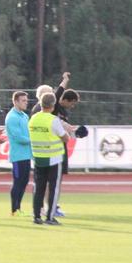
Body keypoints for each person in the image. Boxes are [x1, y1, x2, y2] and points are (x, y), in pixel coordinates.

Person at [29, 92, 66, 226]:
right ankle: (50, 217)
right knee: (53, 188)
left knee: (39, 187)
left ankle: (36, 216)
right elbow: (64, 137)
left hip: (38, 157)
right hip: (53, 157)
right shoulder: (53, 120)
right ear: (53, 105)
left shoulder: (33, 119)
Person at [51, 89, 86, 217]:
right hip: (54, 149)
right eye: (72, 103)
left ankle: (53, 204)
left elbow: (64, 129)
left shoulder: (64, 111)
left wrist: (75, 133)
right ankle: (51, 207)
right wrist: (65, 80)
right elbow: (58, 127)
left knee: (58, 179)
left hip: (61, 148)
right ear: (65, 100)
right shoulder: (55, 108)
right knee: (53, 180)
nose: (72, 106)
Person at [5, 91, 32, 216]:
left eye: (26, 100)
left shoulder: (24, 116)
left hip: (26, 155)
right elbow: (18, 137)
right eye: (23, 100)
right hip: (17, 156)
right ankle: (14, 210)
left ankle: (18, 208)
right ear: (15, 101)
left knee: (24, 182)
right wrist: (33, 140)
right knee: (18, 182)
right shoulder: (12, 117)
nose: (26, 103)